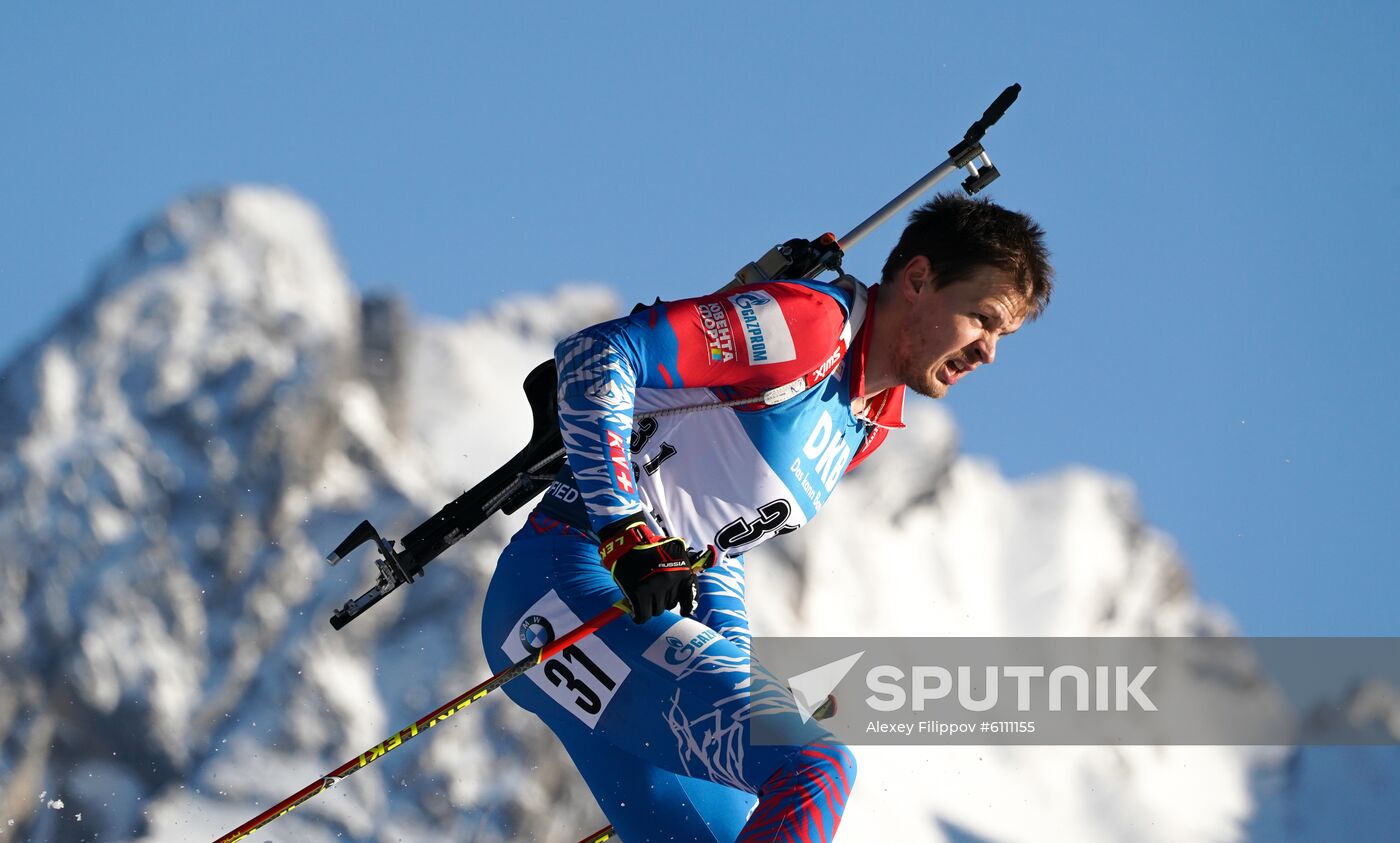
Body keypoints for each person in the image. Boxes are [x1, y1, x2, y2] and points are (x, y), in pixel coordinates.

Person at [480, 193, 1053, 842]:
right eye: (982, 318)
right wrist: (625, 528)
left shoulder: (866, 421)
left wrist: (731, 655)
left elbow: (719, 539)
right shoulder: (807, 325)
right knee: (818, 765)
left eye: (1002, 336)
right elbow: (596, 357)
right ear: (918, 278)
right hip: (561, 588)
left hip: (623, 622)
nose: (989, 353)